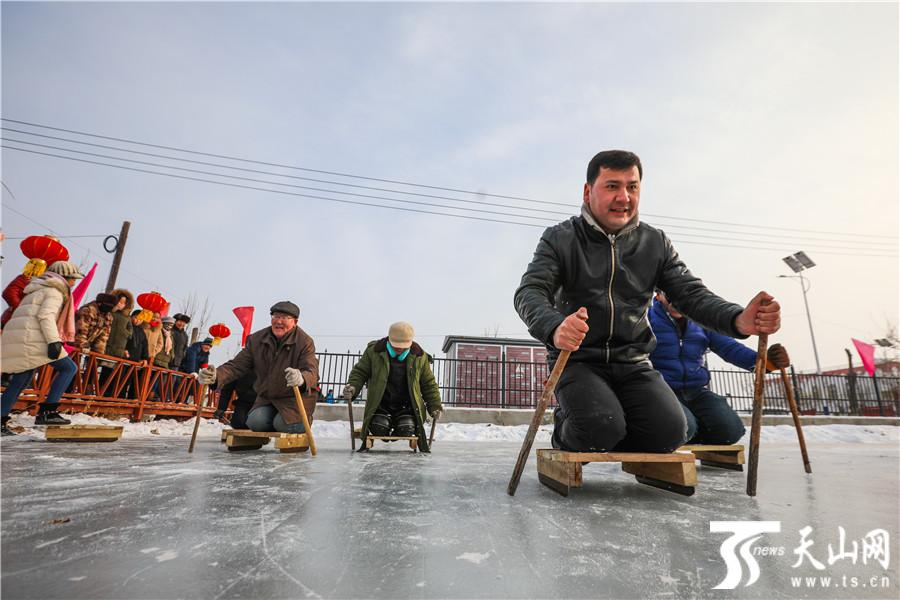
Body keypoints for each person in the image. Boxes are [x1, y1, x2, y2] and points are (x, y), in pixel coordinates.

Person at [514, 150, 781, 454]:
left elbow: (690, 293)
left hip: (632, 362)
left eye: (633, 186)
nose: (624, 197)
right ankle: (574, 428)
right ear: (588, 192)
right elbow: (529, 292)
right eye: (612, 186)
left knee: (671, 432)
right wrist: (555, 326)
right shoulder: (560, 238)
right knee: (599, 426)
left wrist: (737, 319)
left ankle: (604, 432)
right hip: (578, 360)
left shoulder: (655, 242)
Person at [648, 290, 791, 445]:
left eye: (681, 296)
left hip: (695, 391)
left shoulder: (700, 322)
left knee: (730, 431)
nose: (675, 302)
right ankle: (675, 432)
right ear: (659, 295)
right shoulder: (647, 320)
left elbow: (730, 348)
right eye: (669, 296)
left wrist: (766, 362)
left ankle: (686, 435)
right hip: (662, 390)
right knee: (683, 427)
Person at [197, 301, 318, 434]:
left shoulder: (305, 342)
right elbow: (236, 365)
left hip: (294, 400)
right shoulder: (257, 339)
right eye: (275, 317)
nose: (279, 321)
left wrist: (301, 378)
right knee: (255, 422)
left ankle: (300, 421)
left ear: (295, 321)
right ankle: (275, 423)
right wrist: (216, 375)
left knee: (283, 424)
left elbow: (311, 371)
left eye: (284, 318)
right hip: (268, 398)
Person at [1, 261, 85, 433]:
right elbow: (45, 316)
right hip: (33, 338)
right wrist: (53, 341)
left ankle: (0, 417)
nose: (74, 283)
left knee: (20, 380)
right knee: (69, 368)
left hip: (22, 336)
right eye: (72, 279)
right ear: (63, 278)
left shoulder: (38, 289)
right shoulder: (54, 292)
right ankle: (48, 411)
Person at [342, 322, 443, 452]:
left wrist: (435, 405)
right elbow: (360, 372)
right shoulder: (374, 351)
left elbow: (428, 383)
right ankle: (383, 422)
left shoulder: (419, 357)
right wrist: (353, 387)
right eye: (396, 346)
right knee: (379, 426)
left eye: (403, 346)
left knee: (406, 427)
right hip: (381, 404)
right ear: (389, 339)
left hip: (407, 407)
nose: (399, 349)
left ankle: (402, 423)